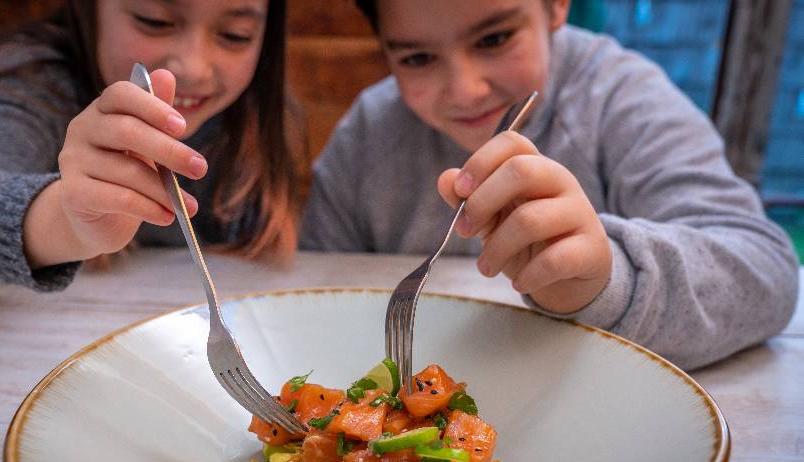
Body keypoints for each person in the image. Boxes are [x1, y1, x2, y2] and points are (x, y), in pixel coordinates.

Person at [299, 0, 799, 370]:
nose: (465, 90)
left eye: (494, 39)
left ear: (557, 6)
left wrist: (608, 280)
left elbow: (767, 270)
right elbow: (312, 293)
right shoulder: (368, 131)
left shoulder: (620, 96)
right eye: (416, 58)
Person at [0, 0, 306, 291]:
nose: (192, 67)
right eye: (155, 21)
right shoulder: (34, 80)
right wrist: (67, 218)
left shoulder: (264, 114)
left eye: (235, 35)